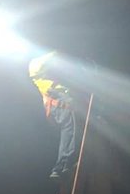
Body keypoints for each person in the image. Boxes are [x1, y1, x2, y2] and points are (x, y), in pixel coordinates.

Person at [29, 53, 90, 182]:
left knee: (67, 131)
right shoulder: (41, 61)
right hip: (61, 101)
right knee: (71, 130)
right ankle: (65, 163)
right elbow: (60, 57)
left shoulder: (36, 65)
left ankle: (62, 166)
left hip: (55, 104)